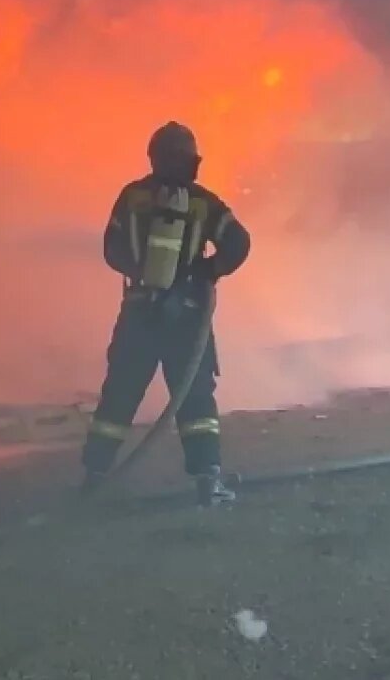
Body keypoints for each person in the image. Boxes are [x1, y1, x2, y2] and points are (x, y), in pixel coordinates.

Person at [81, 121, 251, 506]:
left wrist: (143, 274)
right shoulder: (203, 203)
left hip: (140, 315)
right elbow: (239, 242)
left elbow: (112, 249)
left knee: (118, 398)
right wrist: (206, 271)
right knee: (195, 403)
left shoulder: (133, 197)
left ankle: (94, 477)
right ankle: (208, 482)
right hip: (187, 320)